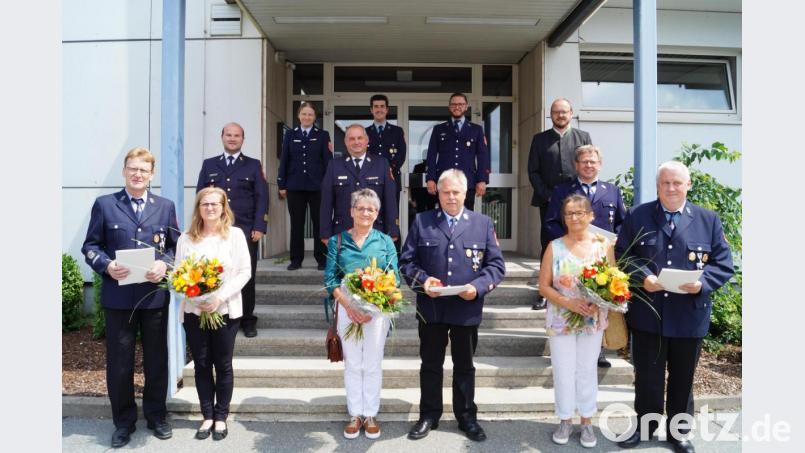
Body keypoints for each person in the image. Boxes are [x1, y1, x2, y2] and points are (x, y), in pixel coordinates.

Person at [614, 161, 734, 453]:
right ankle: (646, 427)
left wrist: (703, 283)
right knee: (648, 378)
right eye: (665, 183)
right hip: (648, 315)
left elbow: (723, 263)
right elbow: (622, 254)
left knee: (683, 379)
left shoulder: (708, 220)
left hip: (689, 316)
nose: (671, 188)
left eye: (677, 183)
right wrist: (644, 278)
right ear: (658, 186)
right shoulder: (638, 216)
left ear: (688, 185)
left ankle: (678, 433)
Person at [82, 147, 180, 448]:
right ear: (124, 171)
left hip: (152, 297)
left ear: (152, 175)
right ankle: (123, 422)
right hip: (119, 298)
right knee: (120, 363)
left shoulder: (165, 206)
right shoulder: (105, 204)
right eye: (133, 169)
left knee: (156, 360)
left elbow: (175, 248)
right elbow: (91, 247)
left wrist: (165, 263)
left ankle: (156, 416)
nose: (138, 174)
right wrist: (107, 265)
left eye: (144, 170)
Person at [399, 169, 505, 442]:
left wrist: (478, 287)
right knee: (431, 364)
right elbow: (407, 263)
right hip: (432, 308)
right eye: (446, 192)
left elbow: (495, 266)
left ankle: (467, 417)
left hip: (466, 308)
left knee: (465, 365)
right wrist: (423, 281)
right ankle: (429, 415)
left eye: (456, 192)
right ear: (438, 193)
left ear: (466, 193)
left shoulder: (482, 224)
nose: (451, 197)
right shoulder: (422, 221)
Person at [176, 187, 251, 441]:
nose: (210, 208)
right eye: (205, 204)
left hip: (226, 310)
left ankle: (221, 417)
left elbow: (244, 272)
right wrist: (195, 296)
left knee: (223, 363)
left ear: (223, 207)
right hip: (194, 311)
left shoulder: (235, 236)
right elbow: (177, 275)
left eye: (215, 204)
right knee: (201, 363)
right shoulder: (186, 238)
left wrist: (218, 297)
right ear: (198, 208)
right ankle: (207, 415)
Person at [324, 189, 399, 440]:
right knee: (353, 362)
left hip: (378, 311)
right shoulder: (337, 241)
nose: (365, 212)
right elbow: (330, 279)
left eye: (371, 209)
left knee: (373, 361)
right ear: (351, 212)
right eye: (361, 208)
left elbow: (394, 277)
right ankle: (355, 414)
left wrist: (373, 306)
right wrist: (349, 306)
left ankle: (370, 414)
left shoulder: (385, 241)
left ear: (377, 214)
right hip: (347, 309)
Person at [543, 145, 627, 368]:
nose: (589, 165)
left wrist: (617, 239)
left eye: (593, 161)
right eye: (584, 161)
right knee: (572, 299)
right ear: (576, 165)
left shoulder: (612, 191)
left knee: (597, 301)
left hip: (599, 257)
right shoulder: (562, 191)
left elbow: (622, 223)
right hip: (570, 257)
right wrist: (569, 242)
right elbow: (550, 222)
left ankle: (597, 350)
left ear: (599, 165)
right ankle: (564, 347)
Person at [539, 194, 611, 449]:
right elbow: (543, 286)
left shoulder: (603, 246)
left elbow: (613, 282)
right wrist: (567, 302)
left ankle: (587, 421)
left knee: (587, 370)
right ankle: (565, 419)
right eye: (569, 213)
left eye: (579, 212)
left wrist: (598, 301)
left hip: (591, 318)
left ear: (591, 215)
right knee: (563, 370)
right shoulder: (554, 246)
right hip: (561, 319)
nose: (574, 218)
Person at [196, 122, 268, 338]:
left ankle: (247, 319)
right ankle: (220, 315)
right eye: (229, 135)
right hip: (214, 231)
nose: (233, 138)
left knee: (245, 275)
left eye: (237, 135)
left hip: (245, 230)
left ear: (242, 139)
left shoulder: (253, 165)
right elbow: (200, 197)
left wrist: (259, 226)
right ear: (222, 136)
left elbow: (261, 197)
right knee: (215, 273)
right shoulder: (209, 165)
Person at [527, 98, 592, 310]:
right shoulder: (540, 139)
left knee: (580, 245)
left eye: (564, 112)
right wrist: (547, 196)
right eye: (556, 112)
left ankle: (582, 288)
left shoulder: (583, 137)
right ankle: (545, 292)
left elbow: (588, 167)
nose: (560, 115)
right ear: (551, 115)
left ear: (571, 113)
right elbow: (533, 171)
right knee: (549, 245)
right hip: (549, 202)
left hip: (578, 205)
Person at [319, 124, 399, 244]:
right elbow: (326, 203)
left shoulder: (382, 164)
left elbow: (390, 201)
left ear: (366, 140)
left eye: (360, 138)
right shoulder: (334, 166)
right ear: (346, 142)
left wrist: (392, 231)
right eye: (352, 139)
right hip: (343, 234)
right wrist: (325, 234)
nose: (356, 142)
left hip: (375, 234)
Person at [277, 103, 332, 271]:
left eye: (310, 114)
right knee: (297, 224)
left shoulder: (322, 135)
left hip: (317, 187)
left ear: (315, 117)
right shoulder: (290, 135)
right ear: (298, 116)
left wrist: (328, 184)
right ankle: (296, 259)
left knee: (319, 224)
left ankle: (321, 259)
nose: (307, 117)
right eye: (304, 114)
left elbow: (328, 162)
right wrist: (282, 183)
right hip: (294, 186)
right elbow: (284, 160)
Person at [425, 93, 490, 211]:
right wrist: (430, 178)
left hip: (467, 182)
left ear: (466, 107)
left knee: (466, 219)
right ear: (449, 107)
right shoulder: (439, 129)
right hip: (444, 182)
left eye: (460, 104)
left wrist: (482, 180)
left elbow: (482, 156)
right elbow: (431, 155)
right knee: (443, 218)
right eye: (454, 104)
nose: (457, 107)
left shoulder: (476, 130)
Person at [365, 94, 406, 206]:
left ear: (387, 109)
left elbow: (401, 155)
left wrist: (388, 169)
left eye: (382, 106)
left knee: (392, 217)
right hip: (369, 180)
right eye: (376, 106)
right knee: (370, 215)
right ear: (371, 110)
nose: (379, 109)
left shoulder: (397, 131)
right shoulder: (364, 133)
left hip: (391, 179)